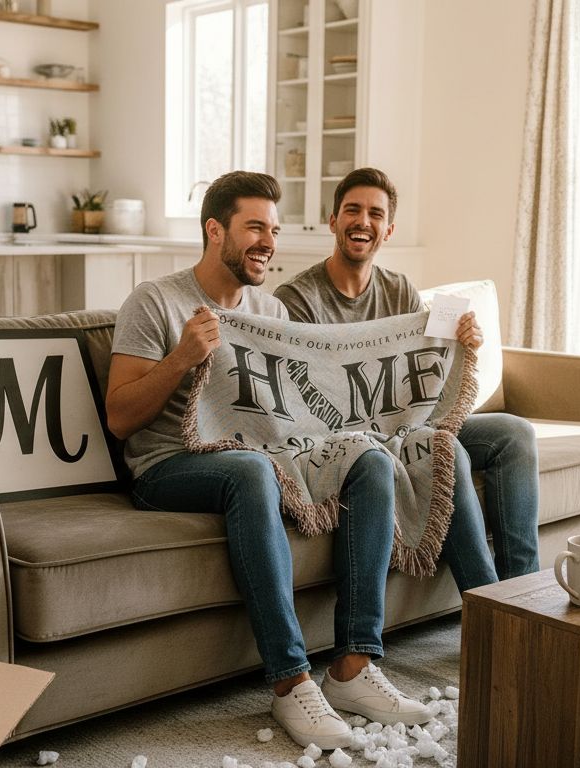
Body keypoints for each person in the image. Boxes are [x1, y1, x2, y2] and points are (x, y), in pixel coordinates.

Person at [105, 171, 430, 749]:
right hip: (169, 464)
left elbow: (294, 411)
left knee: (371, 459)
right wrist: (182, 357)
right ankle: (290, 681)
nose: (268, 243)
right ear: (214, 231)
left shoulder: (268, 310)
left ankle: (353, 665)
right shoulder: (154, 299)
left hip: (265, 453)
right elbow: (121, 418)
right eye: (255, 227)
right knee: (252, 471)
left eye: (274, 230)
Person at [275, 167, 541, 584]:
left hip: (408, 426)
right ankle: (488, 603)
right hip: (351, 444)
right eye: (352, 210)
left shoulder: (400, 290)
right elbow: (300, 402)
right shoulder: (296, 299)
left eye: (375, 214)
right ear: (333, 221)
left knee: (515, 434)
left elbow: (429, 382)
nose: (363, 221)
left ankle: (525, 592)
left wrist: (463, 343)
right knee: (440, 449)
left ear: (389, 229)